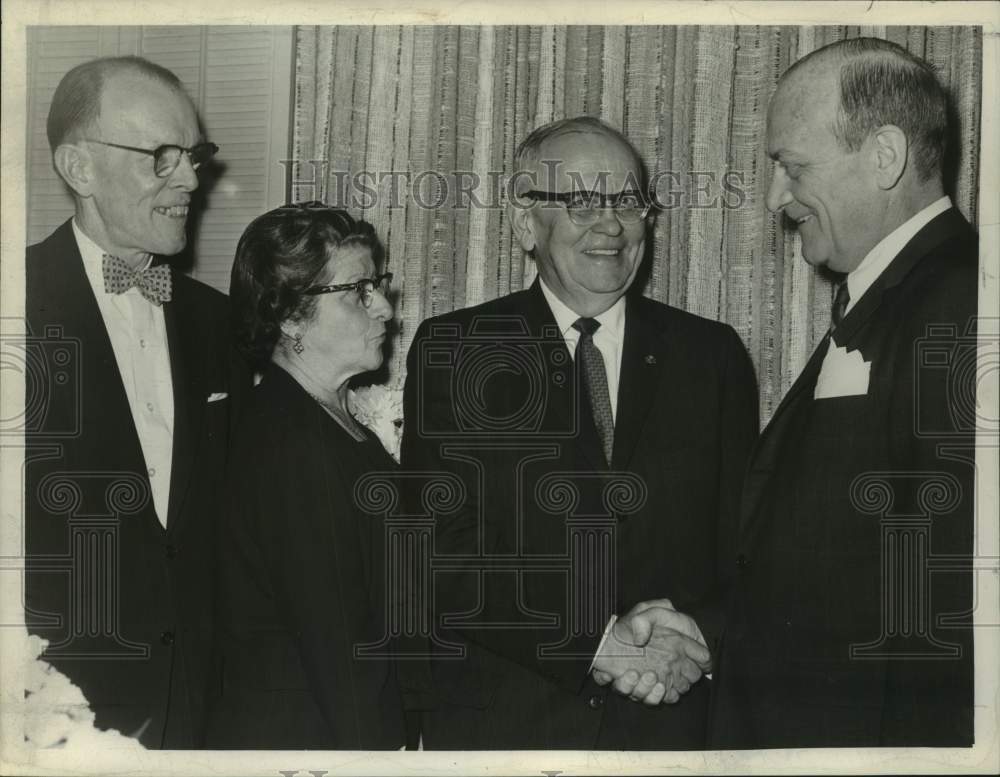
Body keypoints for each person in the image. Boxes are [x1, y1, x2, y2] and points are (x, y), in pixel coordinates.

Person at [400, 116, 759, 748]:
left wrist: (702, 635)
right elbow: (438, 553)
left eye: (627, 201)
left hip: (668, 723)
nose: (612, 224)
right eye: (582, 202)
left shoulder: (712, 355)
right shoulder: (455, 350)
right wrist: (596, 646)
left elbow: (749, 544)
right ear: (523, 224)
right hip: (509, 728)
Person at [703, 38, 977, 747]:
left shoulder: (961, 299)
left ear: (884, 156)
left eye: (792, 168)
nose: (774, 199)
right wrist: (714, 632)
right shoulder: (897, 293)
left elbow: (954, 604)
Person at [24, 56, 242, 748]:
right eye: (162, 157)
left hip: (205, 703)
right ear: (79, 168)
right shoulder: (12, 305)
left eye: (193, 156)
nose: (190, 179)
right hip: (54, 711)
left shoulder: (218, 322)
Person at [206, 203, 407, 749]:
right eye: (358, 291)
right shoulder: (289, 443)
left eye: (378, 285)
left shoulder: (333, 420)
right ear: (291, 316)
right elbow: (340, 653)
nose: (385, 308)